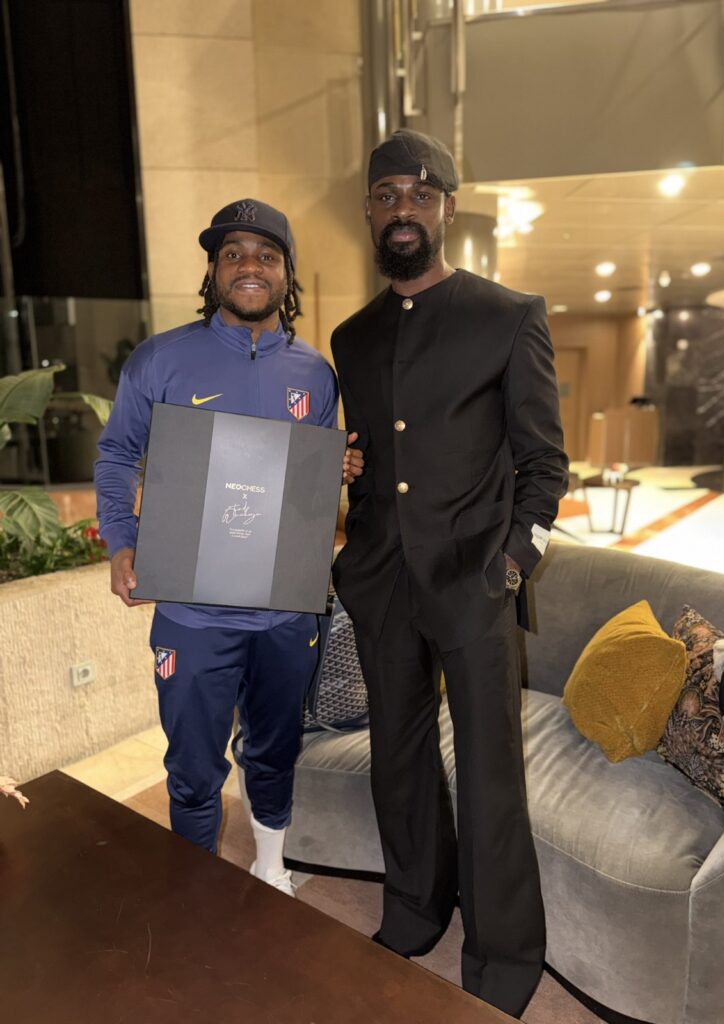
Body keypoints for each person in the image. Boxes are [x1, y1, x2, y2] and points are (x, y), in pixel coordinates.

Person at [330, 131, 569, 1016]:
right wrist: (345, 477)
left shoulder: (509, 314)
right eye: (387, 195)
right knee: (396, 759)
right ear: (368, 212)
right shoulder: (351, 337)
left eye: (420, 195)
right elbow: (371, 455)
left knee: (490, 771)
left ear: (448, 209)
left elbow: (545, 463)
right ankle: (413, 909)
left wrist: (511, 565)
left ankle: (504, 957)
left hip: (476, 584)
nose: (403, 210)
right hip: (383, 581)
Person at [95, 198, 362, 895]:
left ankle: (271, 865)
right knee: (192, 765)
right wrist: (121, 541)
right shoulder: (161, 360)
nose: (250, 265)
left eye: (266, 255)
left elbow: (307, 495)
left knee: (275, 748)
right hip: (192, 612)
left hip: (284, 610)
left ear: (287, 274)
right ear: (213, 271)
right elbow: (118, 455)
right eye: (233, 253)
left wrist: (334, 469)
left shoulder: (315, 374)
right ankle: (198, 892)